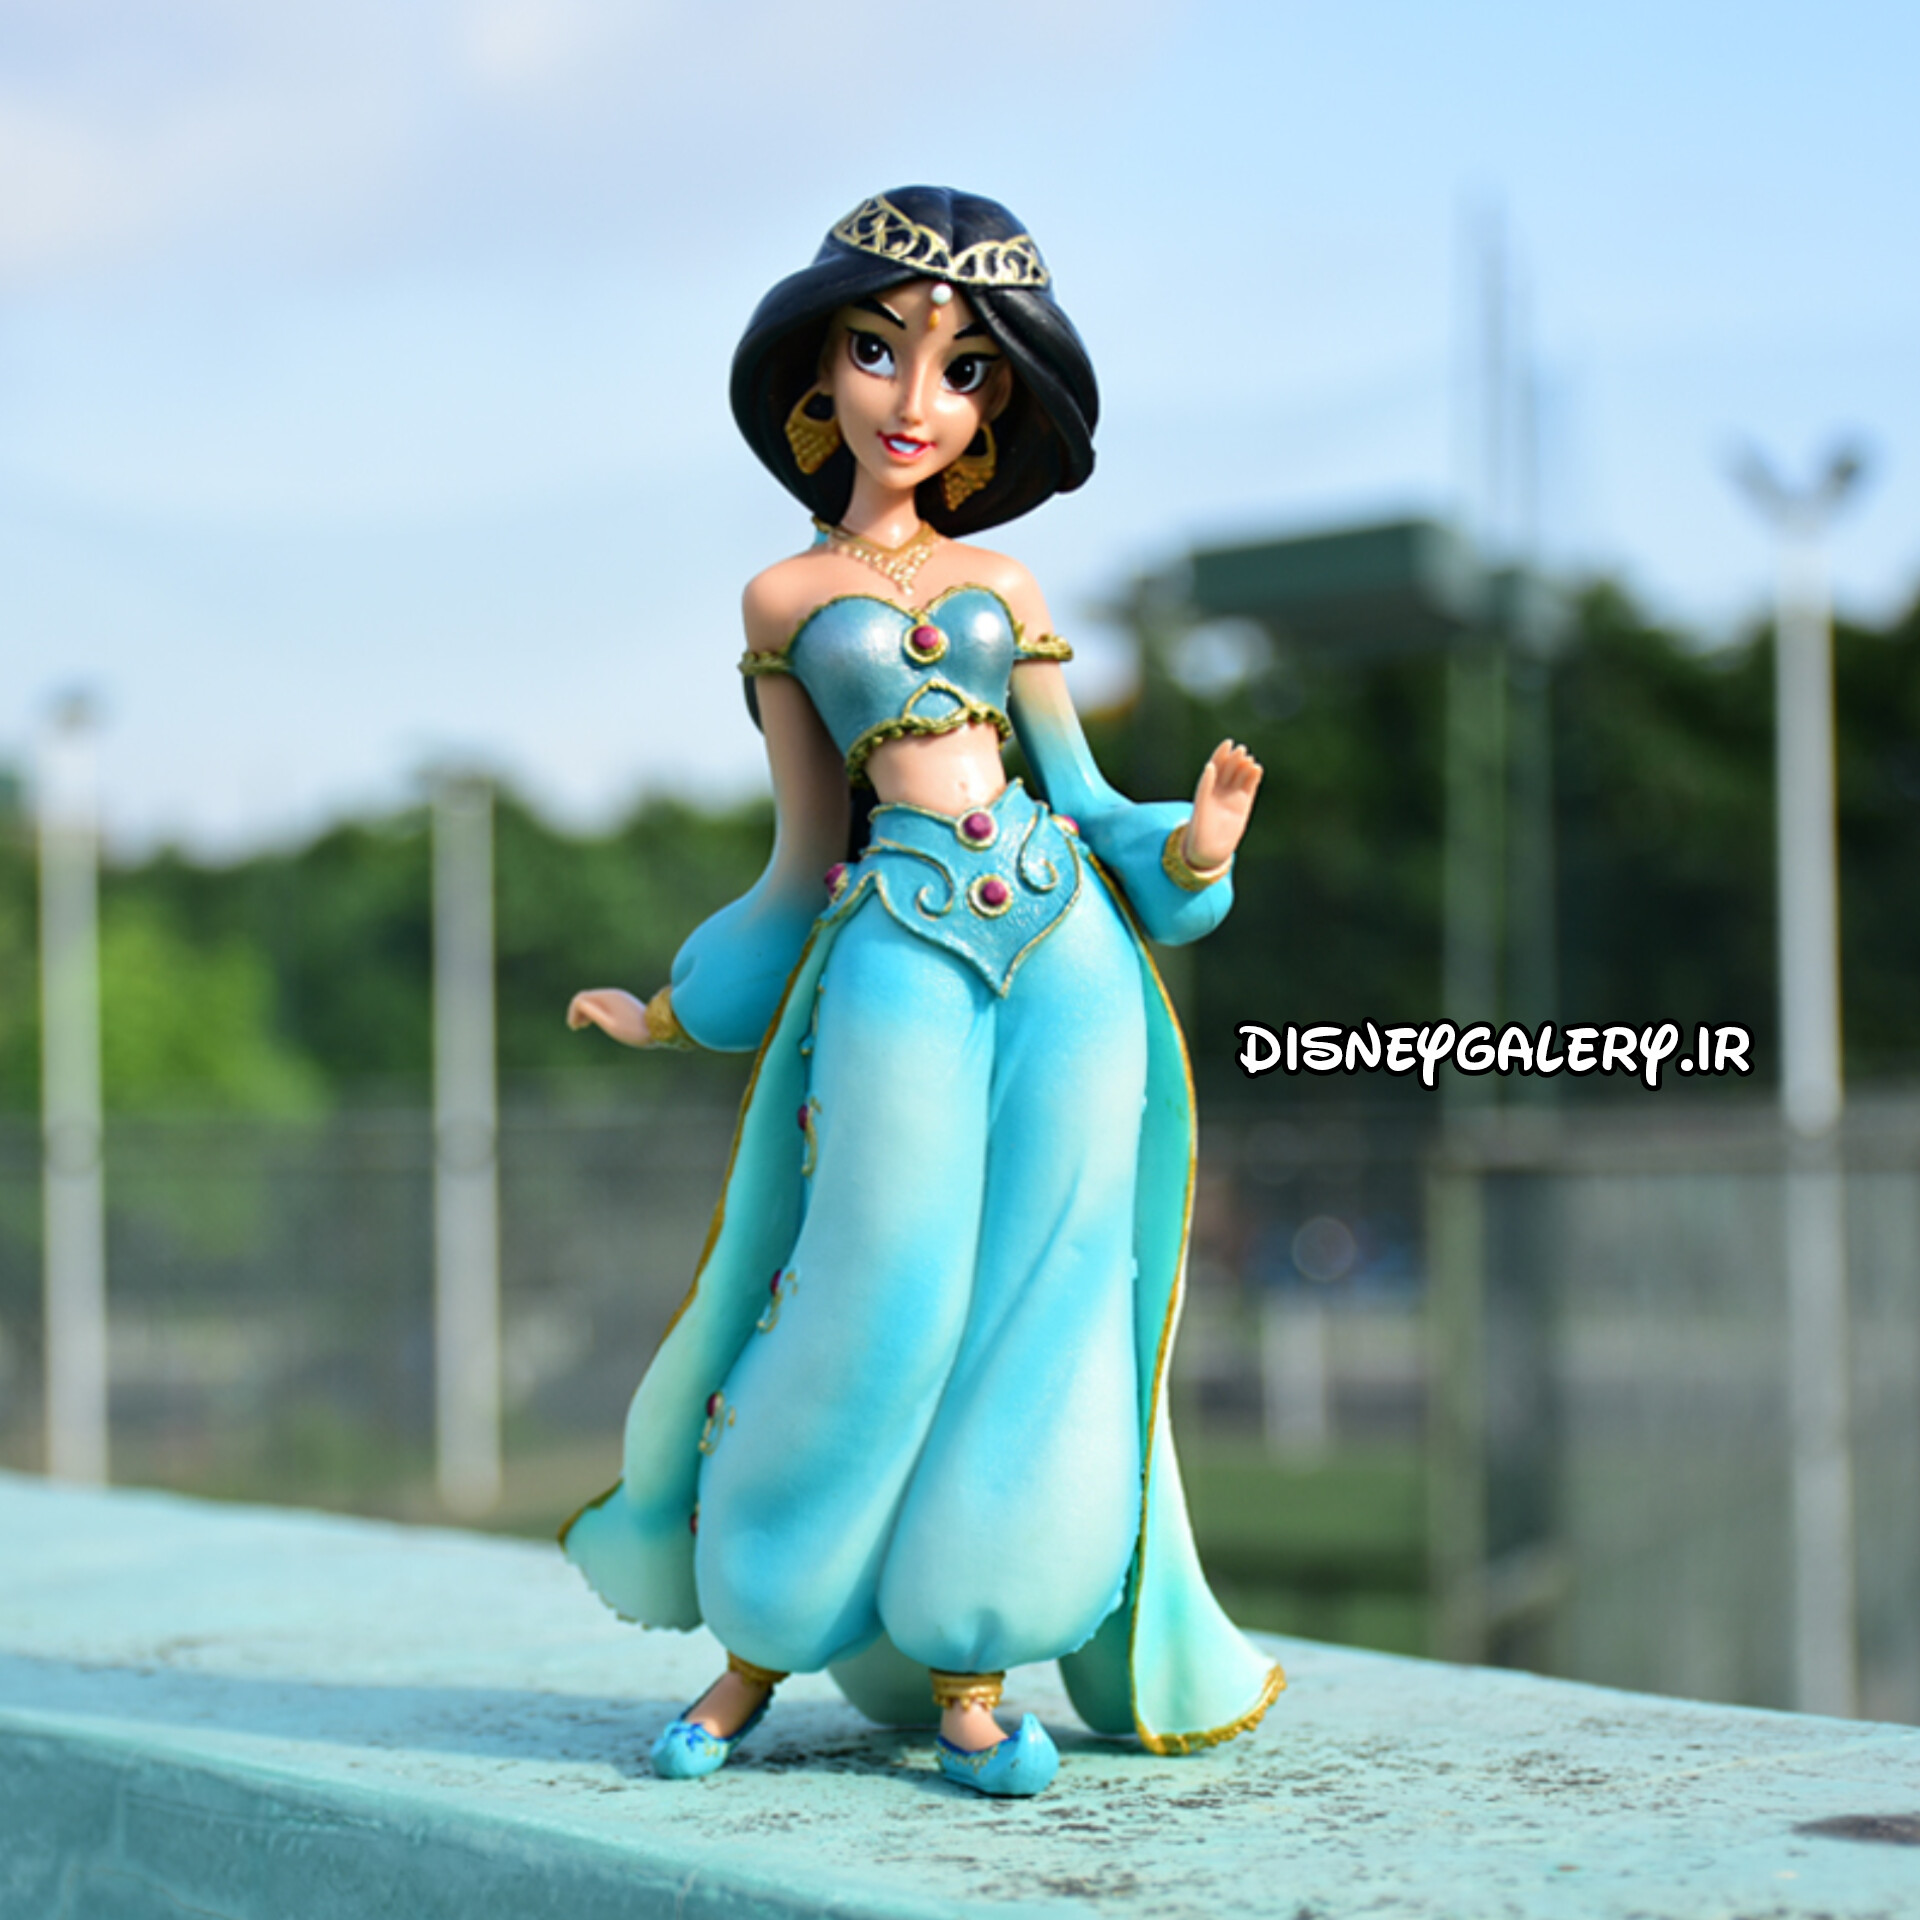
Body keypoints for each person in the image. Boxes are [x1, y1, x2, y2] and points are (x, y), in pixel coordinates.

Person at [561, 187, 1282, 1797]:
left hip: (1065, 943)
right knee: (868, 1281)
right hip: (893, 937)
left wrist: (1197, 848)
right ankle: (757, 1642)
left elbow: (1091, 801)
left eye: (962, 371)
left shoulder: (1007, 585)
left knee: (1053, 1291)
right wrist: (671, 1009)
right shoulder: (782, 603)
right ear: (818, 374)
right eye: (881, 352)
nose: (915, 398)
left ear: (995, 405)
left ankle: (973, 1668)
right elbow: (796, 855)